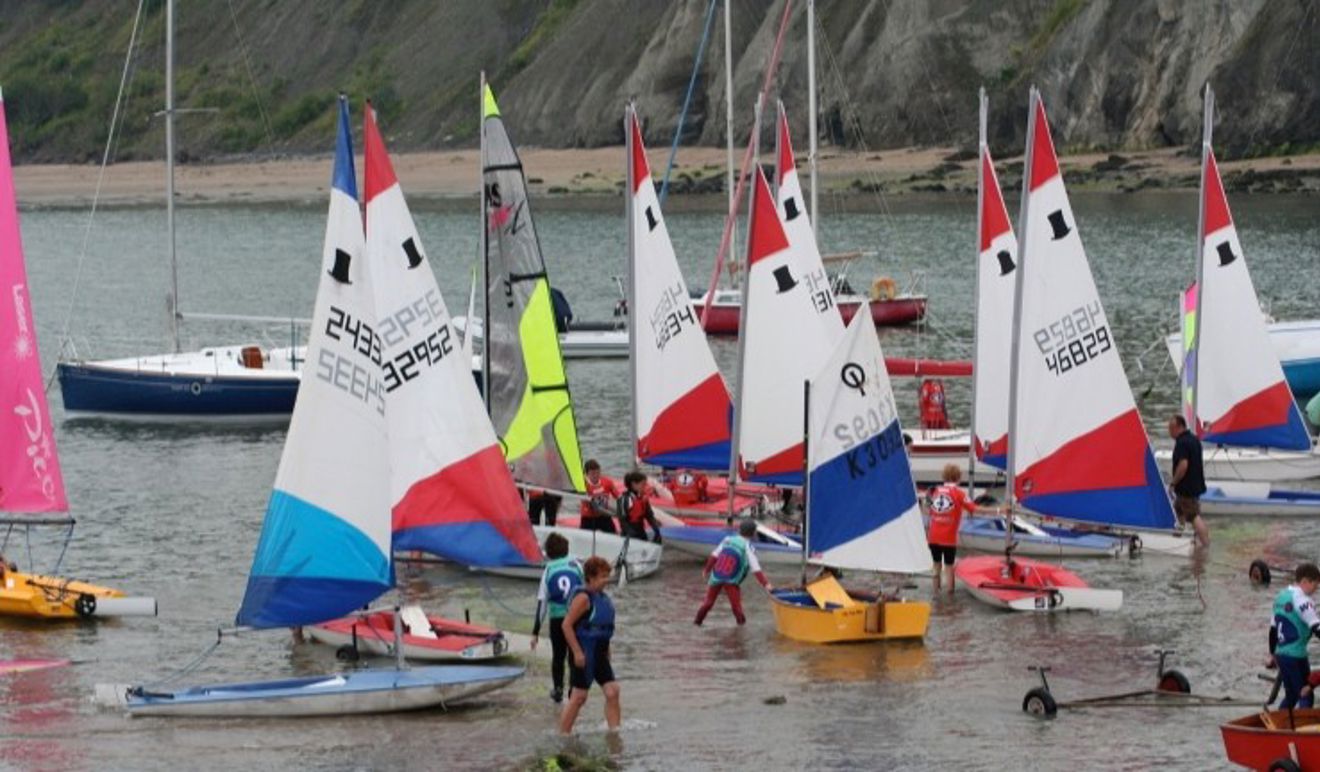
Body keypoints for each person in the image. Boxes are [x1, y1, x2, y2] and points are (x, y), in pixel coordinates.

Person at [558, 556, 620, 735]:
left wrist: (607, 649)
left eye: (607, 576)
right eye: (602, 577)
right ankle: (563, 735)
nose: (606, 580)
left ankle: (614, 732)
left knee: (612, 691)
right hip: (584, 650)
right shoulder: (583, 598)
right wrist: (577, 652)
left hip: (600, 651)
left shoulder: (603, 598)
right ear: (590, 578)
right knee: (579, 696)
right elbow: (566, 625)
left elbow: (603, 628)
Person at [926, 463, 998, 593]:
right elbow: (975, 509)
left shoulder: (934, 491)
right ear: (958, 478)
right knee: (949, 567)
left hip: (933, 537)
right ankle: (950, 595)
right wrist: (999, 510)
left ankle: (935, 593)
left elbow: (929, 511)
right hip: (948, 538)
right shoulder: (959, 493)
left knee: (936, 566)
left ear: (944, 477)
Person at [531, 532, 583, 703]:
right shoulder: (576, 565)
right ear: (566, 549)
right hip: (576, 618)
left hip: (557, 620)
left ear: (549, 553)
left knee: (558, 656)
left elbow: (542, 604)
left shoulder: (548, 570)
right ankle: (573, 690)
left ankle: (558, 689)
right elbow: (586, 592)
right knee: (574, 654)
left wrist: (535, 632)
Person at [694, 519, 773, 625]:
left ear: (739, 530)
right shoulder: (748, 546)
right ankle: (741, 628)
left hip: (717, 575)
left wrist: (706, 570)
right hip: (731, 580)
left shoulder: (727, 539)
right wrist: (766, 584)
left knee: (707, 603)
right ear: (754, 533)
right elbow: (756, 569)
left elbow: (714, 555)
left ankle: (697, 623)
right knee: (736, 607)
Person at [1270, 563, 1320, 709]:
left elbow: (1273, 630)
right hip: (1296, 655)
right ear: (1305, 581)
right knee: (1305, 694)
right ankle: (1304, 723)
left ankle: (1281, 720)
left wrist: (1272, 654)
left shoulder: (1280, 597)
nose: (1316, 589)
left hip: (1282, 654)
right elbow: (1316, 627)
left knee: (1292, 695)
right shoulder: (1303, 600)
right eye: (1315, 584)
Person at [1167, 414, 1210, 547]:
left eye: (1171, 428)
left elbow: (1183, 465)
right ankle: (1180, 538)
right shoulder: (1194, 439)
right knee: (1178, 510)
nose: (1169, 432)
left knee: (1193, 516)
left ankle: (1206, 545)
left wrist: (1173, 483)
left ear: (1179, 427)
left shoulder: (1182, 443)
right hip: (1196, 485)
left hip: (1186, 487)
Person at [616, 471, 662, 543]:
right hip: (628, 533)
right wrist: (630, 533)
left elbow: (649, 516)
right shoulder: (624, 499)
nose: (645, 487)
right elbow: (622, 520)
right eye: (643, 484)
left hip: (640, 530)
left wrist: (656, 529)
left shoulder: (643, 498)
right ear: (634, 484)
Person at [580, 460, 619, 534]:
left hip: (604, 517)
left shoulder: (607, 482)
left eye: (598, 472)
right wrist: (615, 514)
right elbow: (595, 507)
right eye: (593, 473)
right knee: (584, 537)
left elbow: (618, 497)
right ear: (587, 474)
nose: (596, 475)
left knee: (613, 535)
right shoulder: (583, 486)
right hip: (588, 518)